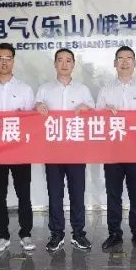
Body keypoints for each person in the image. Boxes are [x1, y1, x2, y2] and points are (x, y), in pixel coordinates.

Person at [0, 43, 37, 253]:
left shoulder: (25, 89)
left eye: (8, 58)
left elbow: (32, 121)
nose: (4, 62)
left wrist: (24, 116)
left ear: (13, 60)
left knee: (24, 194)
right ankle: (2, 236)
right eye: (0, 58)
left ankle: (26, 234)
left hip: (20, 150)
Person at [35, 48, 95, 252]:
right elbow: (33, 118)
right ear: (54, 64)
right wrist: (37, 108)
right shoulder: (44, 89)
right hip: (52, 150)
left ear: (73, 64)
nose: (64, 64)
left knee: (77, 193)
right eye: (60, 60)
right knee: (55, 194)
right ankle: (56, 234)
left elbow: (95, 116)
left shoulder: (83, 90)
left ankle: (79, 234)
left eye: (68, 60)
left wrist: (88, 109)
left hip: (76, 150)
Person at [97, 46, 136, 251]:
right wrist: (104, 112)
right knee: (113, 194)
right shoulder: (105, 90)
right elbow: (96, 121)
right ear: (115, 63)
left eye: (129, 58)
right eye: (120, 58)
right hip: (113, 150)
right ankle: (114, 234)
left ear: (135, 63)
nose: (125, 62)